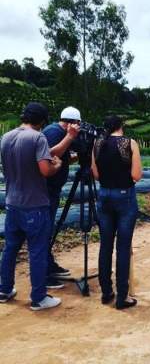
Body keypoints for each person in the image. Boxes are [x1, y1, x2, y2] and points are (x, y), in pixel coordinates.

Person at [0, 102, 63, 310]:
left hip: (12, 203)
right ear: (42, 121)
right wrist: (57, 165)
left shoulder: (6, 137)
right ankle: (39, 297)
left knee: (10, 249)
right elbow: (45, 171)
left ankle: (4, 289)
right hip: (35, 205)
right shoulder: (38, 138)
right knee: (37, 251)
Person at [91, 115, 142, 310]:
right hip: (125, 197)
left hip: (104, 196)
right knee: (123, 246)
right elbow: (136, 175)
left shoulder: (97, 143)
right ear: (121, 126)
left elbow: (95, 174)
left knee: (105, 245)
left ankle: (106, 292)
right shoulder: (129, 143)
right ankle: (123, 297)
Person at [42, 107, 81, 289]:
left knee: (48, 230)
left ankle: (49, 265)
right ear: (71, 123)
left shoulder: (61, 132)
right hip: (45, 190)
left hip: (52, 190)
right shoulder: (53, 132)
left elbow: (63, 156)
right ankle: (44, 273)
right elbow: (48, 154)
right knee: (44, 231)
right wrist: (70, 138)